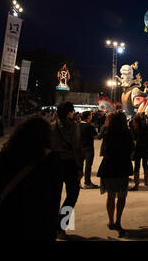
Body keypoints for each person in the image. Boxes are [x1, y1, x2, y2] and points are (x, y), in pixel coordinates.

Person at [0, 116, 63, 241]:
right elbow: (54, 197)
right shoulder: (51, 159)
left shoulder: (7, 153)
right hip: (38, 221)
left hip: (8, 217)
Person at [97, 111, 134, 237]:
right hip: (123, 166)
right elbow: (131, 150)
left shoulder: (108, 132)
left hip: (109, 166)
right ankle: (118, 221)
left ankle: (111, 221)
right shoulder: (127, 133)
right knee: (122, 195)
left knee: (111, 195)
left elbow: (105, 149)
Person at [50, 102, 83, 239]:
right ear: (70, 112)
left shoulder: (51, 126)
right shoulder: (74, 126)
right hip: (70, 163)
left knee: (54, 196)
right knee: (73, 194)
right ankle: (62, 226)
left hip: (54, 163)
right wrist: (80, 167)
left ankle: (51, 226)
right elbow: (76, 147)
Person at [129, 113, 148, 190]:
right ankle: (146, 181)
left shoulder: (133, 128)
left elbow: (132, 138)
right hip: (145, 147)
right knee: (145, 164)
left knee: (137, 165)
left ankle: (136, 184)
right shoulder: (145, 127)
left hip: (137, 148)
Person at [79, 111, 99, 189]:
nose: (91, 117)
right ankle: (87, 182)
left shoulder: (78, 125)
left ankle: (78, 182)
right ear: (88, 117)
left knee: (80, 165)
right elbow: (96, 136)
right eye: (91, 115)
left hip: (80, 147)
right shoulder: (89, 126)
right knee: (88, 166)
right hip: (88, 148)